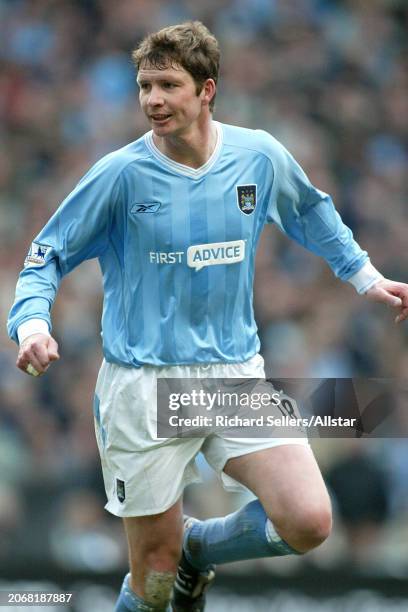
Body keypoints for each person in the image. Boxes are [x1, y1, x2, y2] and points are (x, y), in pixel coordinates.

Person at [7, 20, 408, 612]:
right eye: (145, 86)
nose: (153, 100)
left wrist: (365, 277)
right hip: (142, 386)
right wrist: (33, 325)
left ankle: (201, 547)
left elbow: (312, 212)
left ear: (207, 89)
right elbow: (45, 255)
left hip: (229, 375)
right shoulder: (121, 174)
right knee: (155, 577)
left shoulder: (258, 156)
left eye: (168, 85)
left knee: (308, 521)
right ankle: (179, 555)